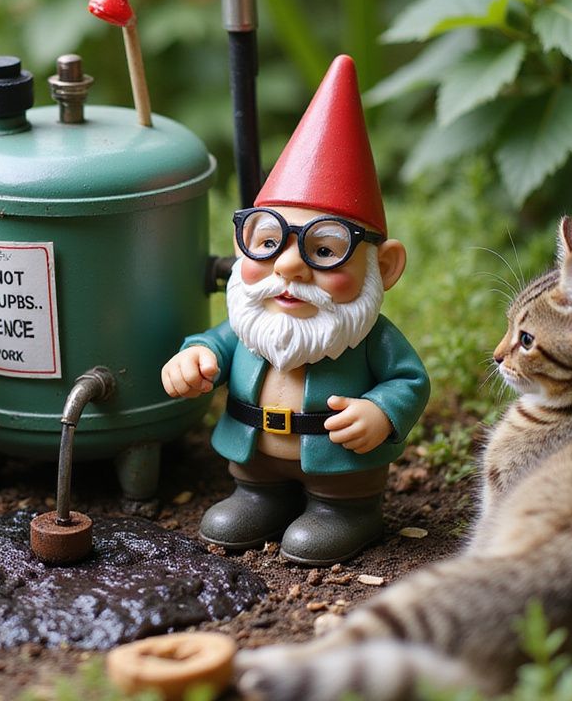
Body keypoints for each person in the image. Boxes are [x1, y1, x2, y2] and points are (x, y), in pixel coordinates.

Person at [161, 55, 429, 566]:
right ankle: (261, 498)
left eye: (324, 251)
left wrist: (381, 411)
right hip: (254, 461)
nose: (290, 266)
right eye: (268, 241)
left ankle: (346, 513)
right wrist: (192, 358)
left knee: (334, 511)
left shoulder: (368, 336)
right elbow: (214, 342)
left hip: (341, 474)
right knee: (249, 501)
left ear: (385, 267)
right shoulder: (254, 324)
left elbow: (409, 381)